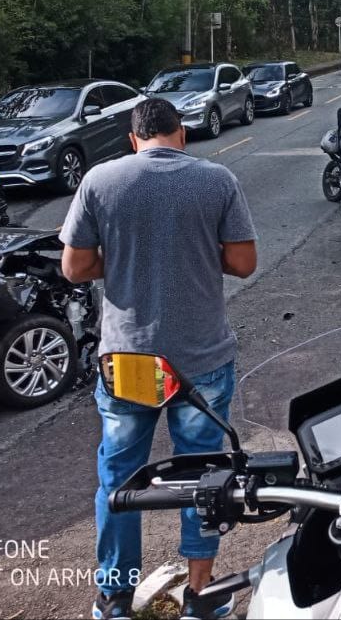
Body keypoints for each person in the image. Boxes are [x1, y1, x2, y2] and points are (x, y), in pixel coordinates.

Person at [60, 98, 257, 620]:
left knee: (120, 479)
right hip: (201, 360)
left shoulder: (100, 181)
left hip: (129, 361)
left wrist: (125, 256)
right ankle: (201, 597)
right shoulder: (217, 180)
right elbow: (242, 261)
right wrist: (192, 248)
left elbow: (75, 268)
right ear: (182, 136)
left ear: (133, 138)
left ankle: (116, 598)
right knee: (204, 477)